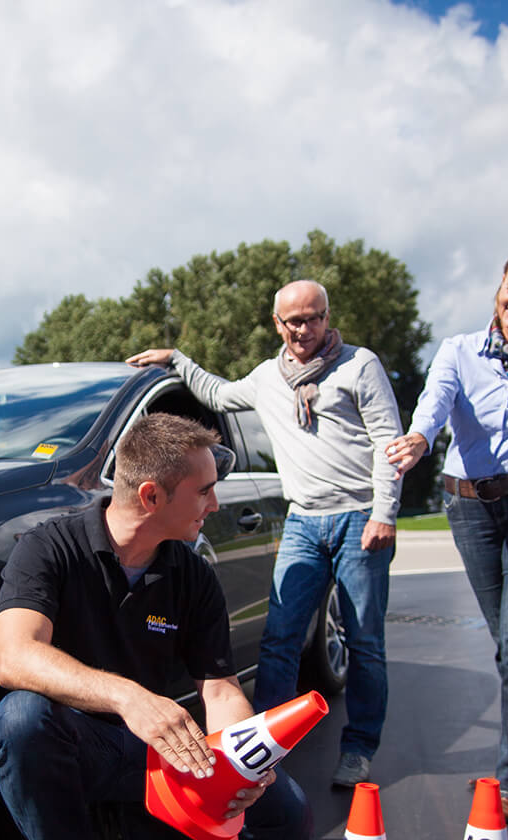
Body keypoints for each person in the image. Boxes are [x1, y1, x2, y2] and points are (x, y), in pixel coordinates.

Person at [0, 413, 312, 840]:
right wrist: (127, 698)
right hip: (75, 749)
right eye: (205, 490)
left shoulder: (192, 574)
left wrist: (243, 761)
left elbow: (219, 688)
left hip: (157, 757)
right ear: (151, 493)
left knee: (285, 817)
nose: (215, 503)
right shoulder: (49, 548)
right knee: (21, 722)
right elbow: (13, 657)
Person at [127, 279, 403, 788]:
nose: (304, 329)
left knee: (365, 642)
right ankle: (266, 749)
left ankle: (358, 749)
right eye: (293, 321)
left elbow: (390, 441)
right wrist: (177, 359)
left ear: (326, 316)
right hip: (303, 520)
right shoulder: (266, 377)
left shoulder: (359, 365)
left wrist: (385, 512)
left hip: (359, 515)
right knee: (280, 639)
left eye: (314, 318)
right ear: (278, 324)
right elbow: (215, 393)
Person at [385, 237, 508, 822]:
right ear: (498, 288)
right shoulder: (459, 350)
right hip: (468, 507)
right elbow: (435, 401)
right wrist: (420, 439)